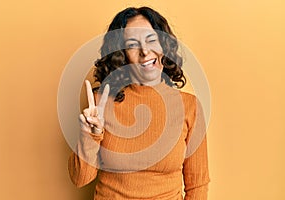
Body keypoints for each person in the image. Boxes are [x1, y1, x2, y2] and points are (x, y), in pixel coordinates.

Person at [68, 6, 210, 200]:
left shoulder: (189, 107)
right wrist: (90, 136)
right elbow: (80, 179)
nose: (145, 51)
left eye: (151, 40)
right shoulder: (101, 102)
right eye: (133, 44)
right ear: (122, 54)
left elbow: (198, 186)